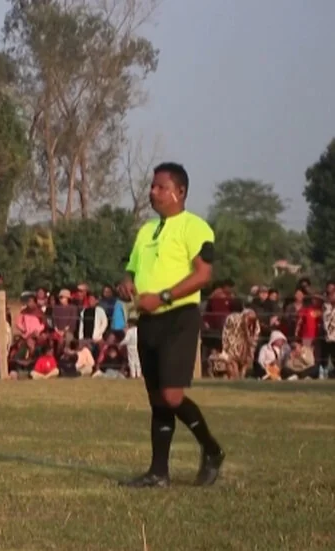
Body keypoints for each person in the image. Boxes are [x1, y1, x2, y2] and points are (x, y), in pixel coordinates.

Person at [117, 162, 225, 488]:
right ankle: (158, 472)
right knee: (156, 399)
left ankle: (212, 449)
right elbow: (131, 271)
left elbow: (203, 275)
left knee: (172, 395)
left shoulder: (196, 228)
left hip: (178, 317)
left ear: (180, 192)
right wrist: (126, 284)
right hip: (148, 320)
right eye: (152, 186)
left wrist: (162, 296)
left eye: (160, 187)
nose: (153, 191)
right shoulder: (146, 231)